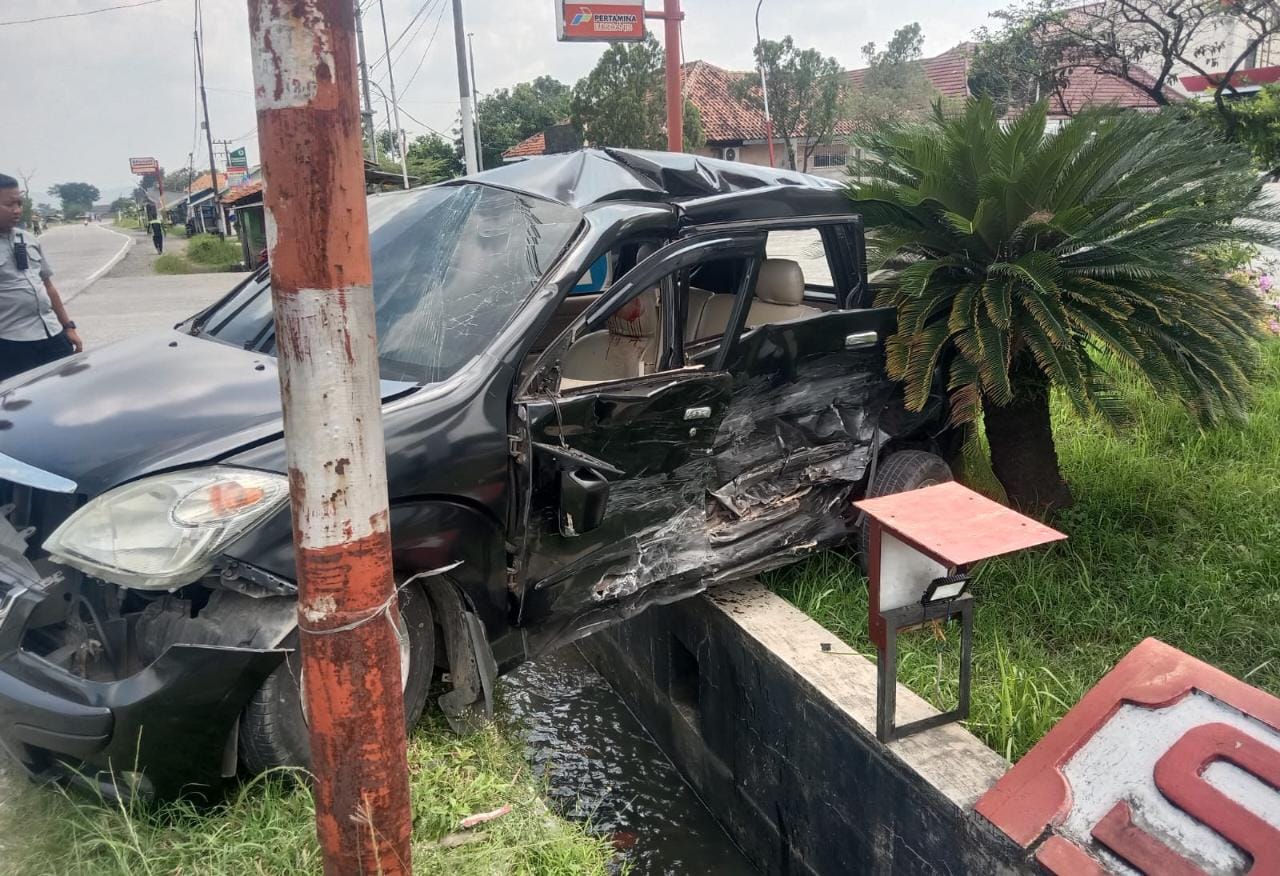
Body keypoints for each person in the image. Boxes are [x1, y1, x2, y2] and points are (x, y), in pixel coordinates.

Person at [0, 174, 83, 383]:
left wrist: (68, 327)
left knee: (67, 391)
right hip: (12, 342)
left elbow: (48, 287)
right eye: (10, 204)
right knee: (19, 406)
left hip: (52, 335)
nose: (17, 210)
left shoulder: (27, 239)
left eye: (20, 203)